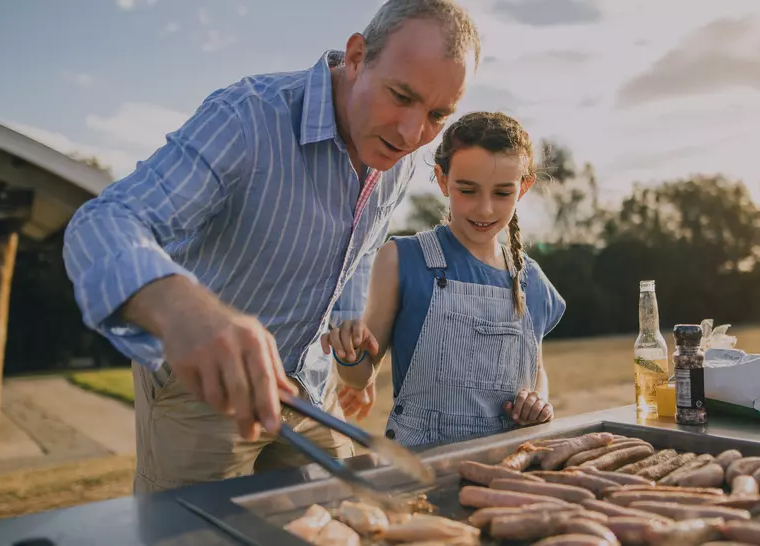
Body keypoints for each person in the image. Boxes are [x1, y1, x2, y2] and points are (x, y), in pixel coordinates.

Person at [61, 0, 481, 493]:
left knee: (351, 515)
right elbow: (103, 221)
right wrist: (180, 309)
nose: (412, 133)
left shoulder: (401, 157)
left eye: (436, 114)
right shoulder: (246, 118)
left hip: (310, 386)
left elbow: (362, 246)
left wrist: (350, 325)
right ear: (355, 56)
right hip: (204, 392)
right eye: (400, 95)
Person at [320, 112, 566, 447]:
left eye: (502, 193)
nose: (484, 209)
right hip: (422, 465)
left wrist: (538, 400)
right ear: (441, 179)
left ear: (523, 187)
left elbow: (536, 372)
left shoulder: (531, 280)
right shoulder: (400, 259)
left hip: (509, 465)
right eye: (468, 190)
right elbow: (361, 375)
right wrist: (348, 356)